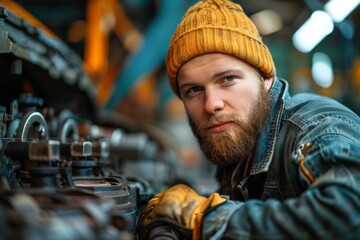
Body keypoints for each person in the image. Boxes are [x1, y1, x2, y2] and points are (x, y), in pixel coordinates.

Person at [137, 0, 360, 239]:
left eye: (228, 79)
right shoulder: (239, 145)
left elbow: (349, 214)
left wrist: (205, 216)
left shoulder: (317, 128)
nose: (212, 104)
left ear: (266, 78)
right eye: (193, 90)